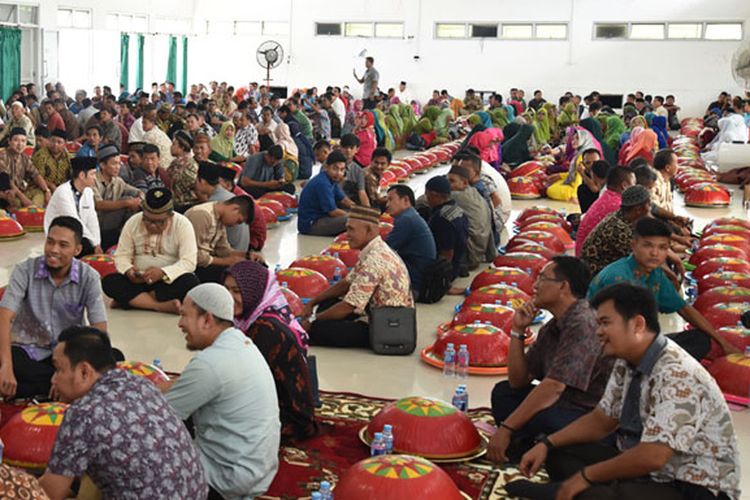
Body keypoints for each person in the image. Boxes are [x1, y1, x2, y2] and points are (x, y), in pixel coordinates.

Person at [508, 283, 740, 500]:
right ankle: (580, 489)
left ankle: (578, 491)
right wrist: (547, 444)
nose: (598, 331)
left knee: (593, 493)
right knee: (558, 452)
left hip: (693, 484)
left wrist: (586, 476)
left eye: (605, 323)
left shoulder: (676, 373)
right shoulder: (627, 359)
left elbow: (653, 456)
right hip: (652, 470)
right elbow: (601, 420)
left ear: (638, 325)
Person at [38, 326, 207, 500]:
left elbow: (49, 493)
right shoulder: (141, 384)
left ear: (84, 372)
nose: (54, 380)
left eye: (58, 370)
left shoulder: (82, 414)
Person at [488, 257, 614, 465]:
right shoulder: (553, 325)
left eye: (542, 279)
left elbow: (554, 387)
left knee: (538, 417)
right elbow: (518, 382)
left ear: (563, 286)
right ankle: (532, 445)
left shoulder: (583, 322)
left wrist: (506, 428)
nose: (535, 286)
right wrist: (517, 331)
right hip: (562, 405)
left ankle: (534, 447)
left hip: (589, 415)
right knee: (503, 393)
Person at [162, 283, 280, 499]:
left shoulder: (209, 364)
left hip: (224, 480)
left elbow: (159, 419)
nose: (179, 324)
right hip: (256, 471)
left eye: (184, 316)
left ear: (207, 319)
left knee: (140, 439)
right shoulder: (242, 344)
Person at [588, 217, 740, 360]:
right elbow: (615, 331)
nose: (655, 253)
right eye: (648, 245)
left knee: (700, 339)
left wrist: (723, 343)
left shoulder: (655, 274)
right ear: (633, 245)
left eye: (662, 248)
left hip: (638, 341)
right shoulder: (618, 278)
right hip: (605, 347)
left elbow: (684, 309)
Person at [0, 217, 108, 399]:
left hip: (68, 353)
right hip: (28, 351)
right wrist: (6, 367)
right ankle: (67, 388)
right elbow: (4, 316)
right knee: (7, 359)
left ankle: (40, 388)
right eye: (50, 242)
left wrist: (66, 373)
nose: (53, 250)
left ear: (77, 250)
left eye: (63, 245)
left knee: (112, 357)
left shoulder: (89, 277)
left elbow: (99, 328)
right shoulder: (24, 270)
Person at [224, 261, 317, 442]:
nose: (228, 297)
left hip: (287, 419)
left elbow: (242, 384)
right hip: (277, 407)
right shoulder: (256, 317)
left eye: (236, 291)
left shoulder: (265, 329)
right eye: (225, 290)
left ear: (255, 292)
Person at [302, 206, 414, 347]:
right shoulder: (374, 249)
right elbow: (346, 283)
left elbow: (348, 307)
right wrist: (313, 302)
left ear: (369, 231)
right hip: (375, 314)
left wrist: (312, 320)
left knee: (319, 329)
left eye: (351, 229)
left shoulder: (375, 260)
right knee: (326, 304)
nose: (346, 234)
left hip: (387, 327)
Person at [103, 187, 199, 314]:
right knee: (110, 281)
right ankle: (159, 306)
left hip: (165, 282)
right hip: (137, 281)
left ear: (170, 215)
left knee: (190, 282)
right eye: (147, 220)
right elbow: (121, 255)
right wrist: (128, 270)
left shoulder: (183, 224)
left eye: (159, 222)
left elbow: (189, 261)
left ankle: (132, 301)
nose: (152, 225)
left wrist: (163, 273)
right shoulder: (133, 222)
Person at [580, 185, 652, 276]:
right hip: (596, 276)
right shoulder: (619, 228)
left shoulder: (622, 215)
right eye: (649, 205)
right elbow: (645, 259)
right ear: (638, 210)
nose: (651, 208)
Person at [184, 197, 257, 283]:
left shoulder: (219, 219)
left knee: (248, 268)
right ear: (235, 208)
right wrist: (227, 261)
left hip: (204, 263)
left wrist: (246, 255)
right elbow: (194, 256)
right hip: (190, 267)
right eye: (238, 221)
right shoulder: (202, 215)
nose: (235, 225)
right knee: (233, 275)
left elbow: (223, 250)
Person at [385, 184, 437, 297]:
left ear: (405, 200)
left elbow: (384, 250)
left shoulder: (406, 219)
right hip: (419, 276)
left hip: (415, 284)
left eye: (391, 199)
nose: (387, 204)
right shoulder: (411, 215)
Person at [43, 156, 101, 256]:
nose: (95, 178)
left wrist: (97, 243)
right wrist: (92, 244)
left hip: (80, 233)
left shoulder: (88, 191)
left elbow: (92, 218)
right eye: (93, 174)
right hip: (62, 233)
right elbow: (74, 222)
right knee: (85, 247)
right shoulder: (63, 192)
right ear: (82, 175)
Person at [575, 166, 636, 256]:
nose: (635, 188)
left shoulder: (608, 196)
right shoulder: (618, 205)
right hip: (590, 261)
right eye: (633, 184)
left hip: (583, 253)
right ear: (625, 186)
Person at [93, 144, 143, 251]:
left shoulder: (117, 180)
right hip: (97, 223)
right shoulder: (92, 180)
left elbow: (136, 191)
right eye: (114, 164)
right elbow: (98, 204)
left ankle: (130, 239)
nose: (118, 167)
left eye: (119, 163)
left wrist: (141, 196)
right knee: (127, 201)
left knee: (134, 201)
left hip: (112, 222)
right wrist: (127, 203)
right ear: (102, 165)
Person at [447, 165, 496, 269]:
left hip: (470, 255)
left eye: (452, 181)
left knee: (441, 217)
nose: (447, 184)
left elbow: (425, 201)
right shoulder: (474, 192)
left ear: (464, 183)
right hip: (481, 251)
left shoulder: (457, 196)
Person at [297, 151, 355, 236]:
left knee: (353, 214)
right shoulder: (322, 183)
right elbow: (333, 212)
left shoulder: (331, 180)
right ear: (326, 167)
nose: (339, 173)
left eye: (342, 170)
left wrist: (359, 210)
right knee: (352, 219)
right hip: (311, 225)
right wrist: (357, 216)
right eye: (335, 168)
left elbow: (344, 199)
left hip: (322, 218)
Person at [423, 175, 469, 280]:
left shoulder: (441, 218)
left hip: (448, 270)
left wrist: (441, 279)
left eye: (428, 195)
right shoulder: (459, 210)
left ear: (434, 195)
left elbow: (447, 253)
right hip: (459, 262)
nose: (426, 199)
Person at [0, 127, 51, 207]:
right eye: (16, 140)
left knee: (40, 193)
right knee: (17, 202)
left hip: (21, 191)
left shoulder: (24, 157)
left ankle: (34, 209)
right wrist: (23, 198)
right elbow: (8, 181)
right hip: (7, 193)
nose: (20, 144)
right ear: (9, 142)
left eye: (23, 141)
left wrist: (46, 191)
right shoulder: (2, 156)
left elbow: (36, 175)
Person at [167, 130, 198, 209]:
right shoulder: (176, 162)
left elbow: (194, 192)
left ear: (182, 147)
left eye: (174, 144)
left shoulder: (190, 166)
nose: (171, 147)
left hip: (184, 206)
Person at [339, 133, 370, 205]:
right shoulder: (329, 165)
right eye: (345, 147)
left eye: (351, 147)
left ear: (357, 149)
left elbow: (362, 193)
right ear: (340, 148)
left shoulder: (358, 170)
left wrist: (368, 210)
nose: (348, 150)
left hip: (350, 205)